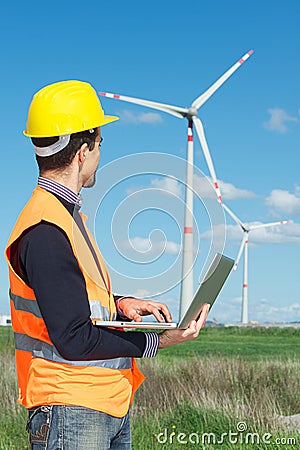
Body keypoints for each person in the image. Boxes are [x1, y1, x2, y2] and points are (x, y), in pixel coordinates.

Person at [5, 80, 210, 450]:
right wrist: (159, 341)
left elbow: (70, 295)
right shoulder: (45, 230)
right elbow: (73, 338)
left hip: (103, 404)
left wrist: (120, 303)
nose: (100, 153)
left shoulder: (66, 219)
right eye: (100, 144)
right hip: (72, 408)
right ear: (83, 150)